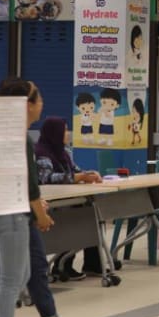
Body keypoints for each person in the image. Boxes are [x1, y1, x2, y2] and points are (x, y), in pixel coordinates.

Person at [0, 78, 80, 317]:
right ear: (26, 105)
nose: (42, 105)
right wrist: (41, 214)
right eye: (38, 100)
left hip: (7, 211)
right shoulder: (18, 136)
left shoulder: (2, 133)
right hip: (10, 214)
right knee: (12, 279)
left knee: (20, 275)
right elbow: (30, 186)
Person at [35, 116, 103, 281]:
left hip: (68, 200)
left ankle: (92, 264)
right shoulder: (41, 153)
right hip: (53, 203)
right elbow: (47, 178)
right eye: (64, 130)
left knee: (91, 214)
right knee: (75, 219)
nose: (68, 133)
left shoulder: (65, 152)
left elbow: (75, 171)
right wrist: (78, 177)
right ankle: (62, 265)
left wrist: (90, 174)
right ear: (55, 133)